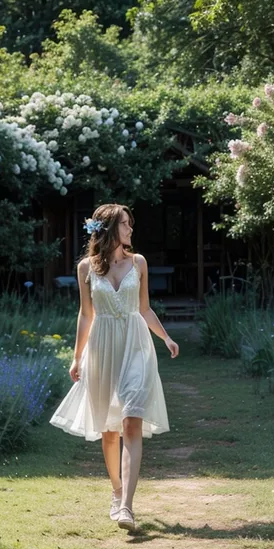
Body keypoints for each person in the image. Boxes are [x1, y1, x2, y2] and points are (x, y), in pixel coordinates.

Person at [50, 203, 179, 532]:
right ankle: (116, 491)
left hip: (136, 346)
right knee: (109, 431)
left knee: (131, 421)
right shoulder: (86, 269)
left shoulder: (139, 263)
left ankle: (127, 507)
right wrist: (76, 357)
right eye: (125, 224)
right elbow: (85, 315)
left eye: (130, 225)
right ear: (108, 229)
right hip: (103, 347)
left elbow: (145, 309)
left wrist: (165, 338)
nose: (131, 230)